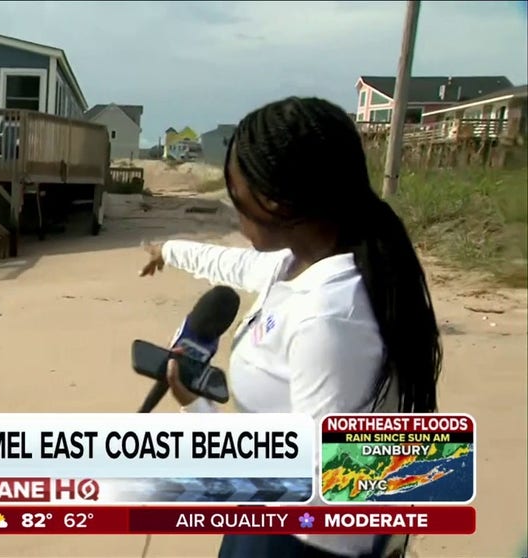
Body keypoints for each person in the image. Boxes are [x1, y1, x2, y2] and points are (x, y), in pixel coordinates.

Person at [140, 96, 442, 558]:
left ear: (274, 201)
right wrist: (168, 250)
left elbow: (329, 506)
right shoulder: (298, 263)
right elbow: (232, 264)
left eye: (235, 194)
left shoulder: (329, 319)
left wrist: (200, 416)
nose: (232, 205)